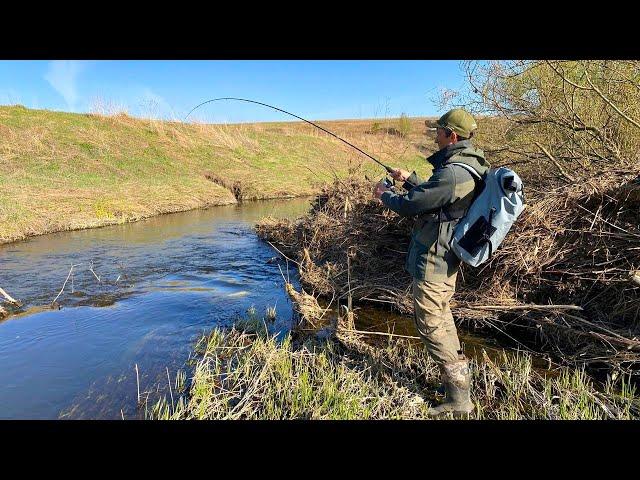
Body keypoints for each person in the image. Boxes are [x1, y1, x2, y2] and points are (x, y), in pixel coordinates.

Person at [372, 108, 490, 417]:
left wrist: (385, 194)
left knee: (431, 325)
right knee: (442, 319)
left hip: (434, 261)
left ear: (452, 136)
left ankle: (459, 399)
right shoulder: (466, 165)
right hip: (443, 258)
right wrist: (408, 179)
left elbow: (413, 205)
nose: (434, 134)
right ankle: (457, 388)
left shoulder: (453, 172)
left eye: (438, 130)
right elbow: (438, 199)